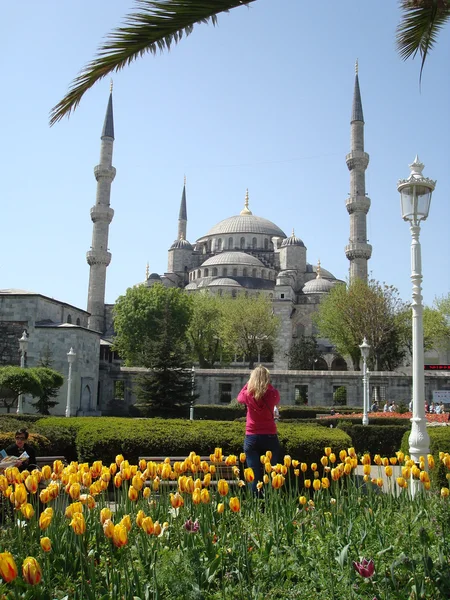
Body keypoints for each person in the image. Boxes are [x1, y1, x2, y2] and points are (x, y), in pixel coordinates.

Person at [237, 366, 280, 493]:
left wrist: (249, 384)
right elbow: (276, 398)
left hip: (252, 437)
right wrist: (267, 384)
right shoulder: (272, 394)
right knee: (270, 472)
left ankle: (256, 505)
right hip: (270, 436)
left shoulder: (248, 394)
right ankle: (269, 502)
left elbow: (239, 397)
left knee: (254, 475)